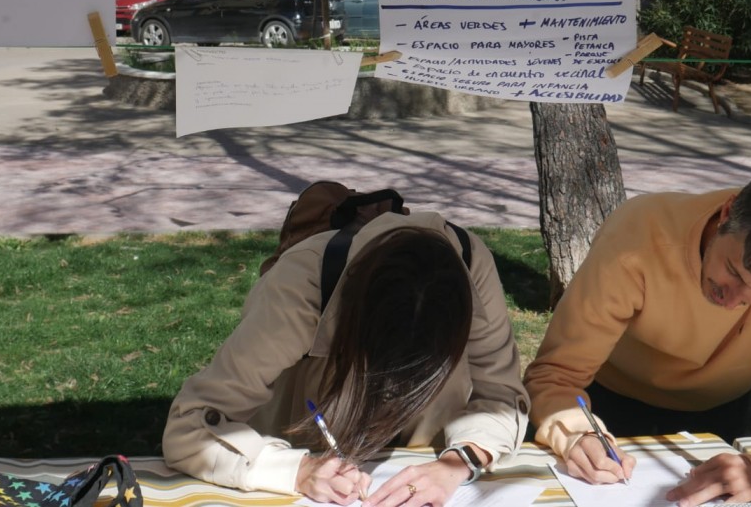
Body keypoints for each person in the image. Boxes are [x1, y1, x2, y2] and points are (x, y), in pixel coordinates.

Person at [524, 163, 751, 507]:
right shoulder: (639, 234)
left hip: (722, 410)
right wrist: (574, 432)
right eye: (734, 272)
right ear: (726, 214)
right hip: (605, 403)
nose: (733, 302)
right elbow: (555, 376)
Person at [163, 210, 529, 506]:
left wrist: (456, 464)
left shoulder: (471, 265)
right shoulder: (299, 287)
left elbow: (499, 395)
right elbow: (190, 429)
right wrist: (300, 471)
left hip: (426, 462)